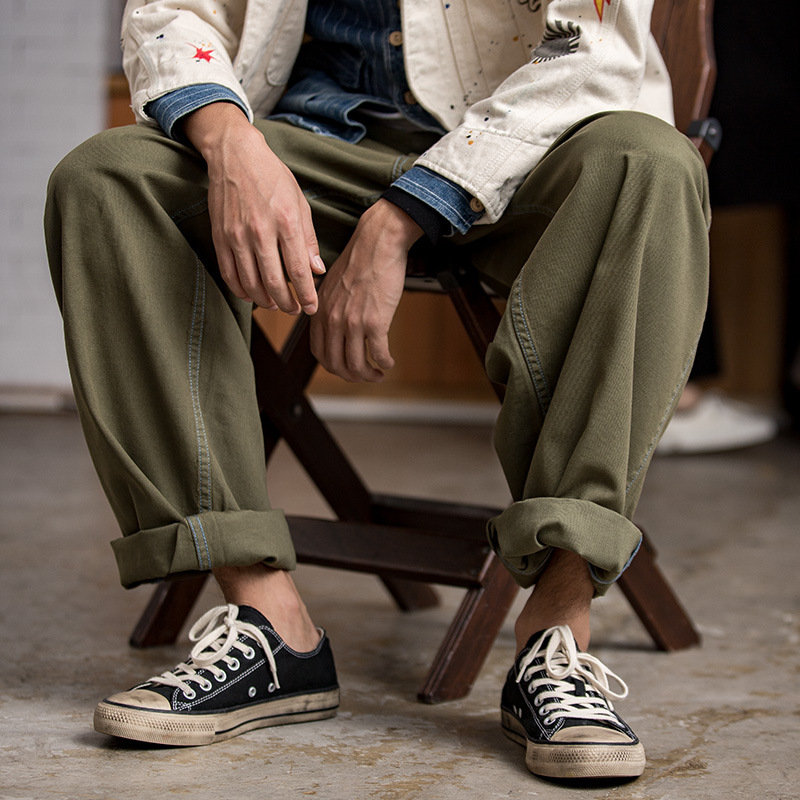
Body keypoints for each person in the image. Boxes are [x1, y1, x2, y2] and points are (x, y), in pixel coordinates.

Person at [44, 0, 710, 782]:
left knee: (652, 164)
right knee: (106, 179)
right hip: (309, 144)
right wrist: (229, 143)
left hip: (531, 146)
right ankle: (269, 622)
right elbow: (174, 12)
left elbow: (591, 53)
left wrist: (400, 219)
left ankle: (556, 635)